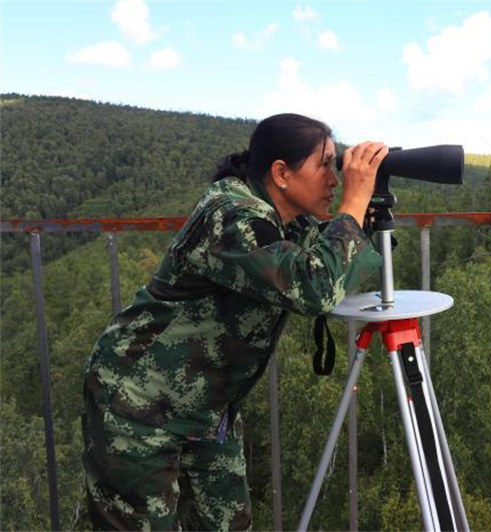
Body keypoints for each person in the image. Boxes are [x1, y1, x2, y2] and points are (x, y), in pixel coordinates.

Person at [82, 113, 389, 531]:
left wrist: (365, 210)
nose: (335, 179)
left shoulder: (283, 219)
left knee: (227, 523)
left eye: (339, 166)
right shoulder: (232, 215)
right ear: (281, 173)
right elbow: (312, 286)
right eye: (325, 164)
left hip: (206, 410)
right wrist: (352, 207)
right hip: (138, 406)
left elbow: (326, 259)